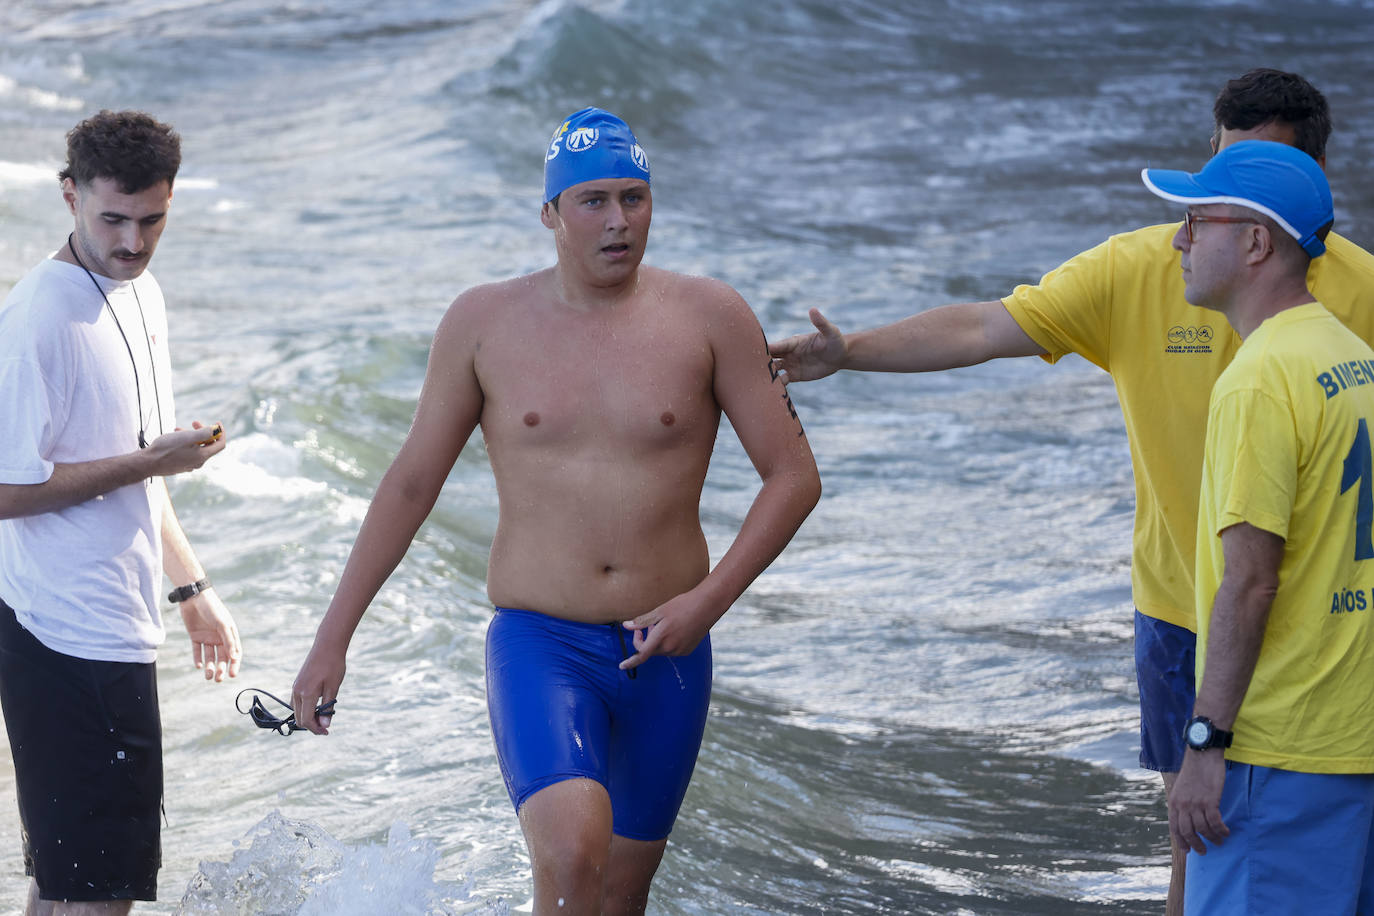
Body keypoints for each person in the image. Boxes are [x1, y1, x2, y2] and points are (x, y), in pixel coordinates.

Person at [767, 68, 1374, 914]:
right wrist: (851, 353)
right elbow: (984, 326)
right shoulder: (1141, 268)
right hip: (1184, 604)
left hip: (1304, 616)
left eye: (1233, 194)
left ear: (1285, 213)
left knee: (1252, 840)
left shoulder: (1343, 304)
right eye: (1210, 176)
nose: (1187, 226)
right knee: (1199, 840)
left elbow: (1264, 566)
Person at [291, 106, 820, 916]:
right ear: (550, 214)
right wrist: (334, 638)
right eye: (593, 201)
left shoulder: (712, 317)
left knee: (618, 895)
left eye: (634, 198)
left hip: (669, 649)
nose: (618, 221)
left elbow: (793, 477)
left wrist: (704, 605)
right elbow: (410, 484)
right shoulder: (483, 324)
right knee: (574, 857)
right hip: (542, 640)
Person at [0, 110, 241, 914]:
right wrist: (149, 461)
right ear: (70, 197)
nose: (134, 242)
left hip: (117, 624)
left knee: (75, 886)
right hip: (62, 635)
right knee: (95, 895)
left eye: (152, 220)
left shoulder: (142, 295)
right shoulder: (40, 316)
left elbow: (139, 460)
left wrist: (190, 586)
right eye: (113, 219)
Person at [1142, 140, 1374, 913]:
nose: (1178, 239)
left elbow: (1250, 581)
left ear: (1254, 242)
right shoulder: (1353, 356)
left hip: (1279, 754)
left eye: (1196, 220)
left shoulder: (1260, 380)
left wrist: (1205, 746)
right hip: (1354, 734)